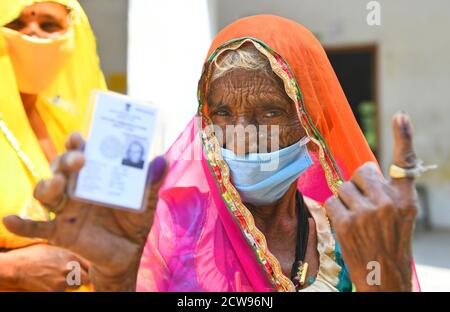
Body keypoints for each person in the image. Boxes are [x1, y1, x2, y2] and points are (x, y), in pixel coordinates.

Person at [3, 15, 424, 291]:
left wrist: (389, 277)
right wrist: (115, 279)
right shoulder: (169, 229)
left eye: (271, 112)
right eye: (222, 112)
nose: (241, 134)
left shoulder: (354, 236)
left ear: (311, 124)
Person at [0, 0, 106, 291]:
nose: (32, 33)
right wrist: (12, 270)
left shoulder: (68, 127)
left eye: (49, 25)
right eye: (15, 23)